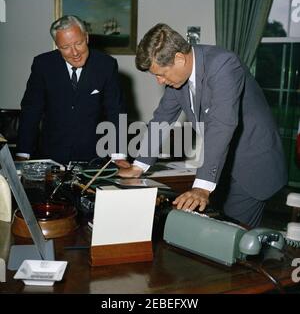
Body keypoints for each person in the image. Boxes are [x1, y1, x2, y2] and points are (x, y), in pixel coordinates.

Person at [118, 23, 288, 228]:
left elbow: (221, 124)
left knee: (230, 238)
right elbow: (162, 119)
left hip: (251, 164)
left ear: (179, 59)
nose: (159, 81)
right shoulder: (177, 79)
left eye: (160, 74)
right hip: (221, 164)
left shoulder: (223, 64)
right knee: (211, 229)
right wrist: (139, 165)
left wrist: (202, 187)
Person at [17, 15, 129, 167]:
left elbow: (116, 111)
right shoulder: (43, 65)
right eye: (65, 47)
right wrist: (23, 153)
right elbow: (31, 111)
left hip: (93, 158)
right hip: (50, 156)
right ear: (57, 45)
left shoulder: (106, 65)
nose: (75, 52)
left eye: (79, 43)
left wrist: (118, 156)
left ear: (87, 37)